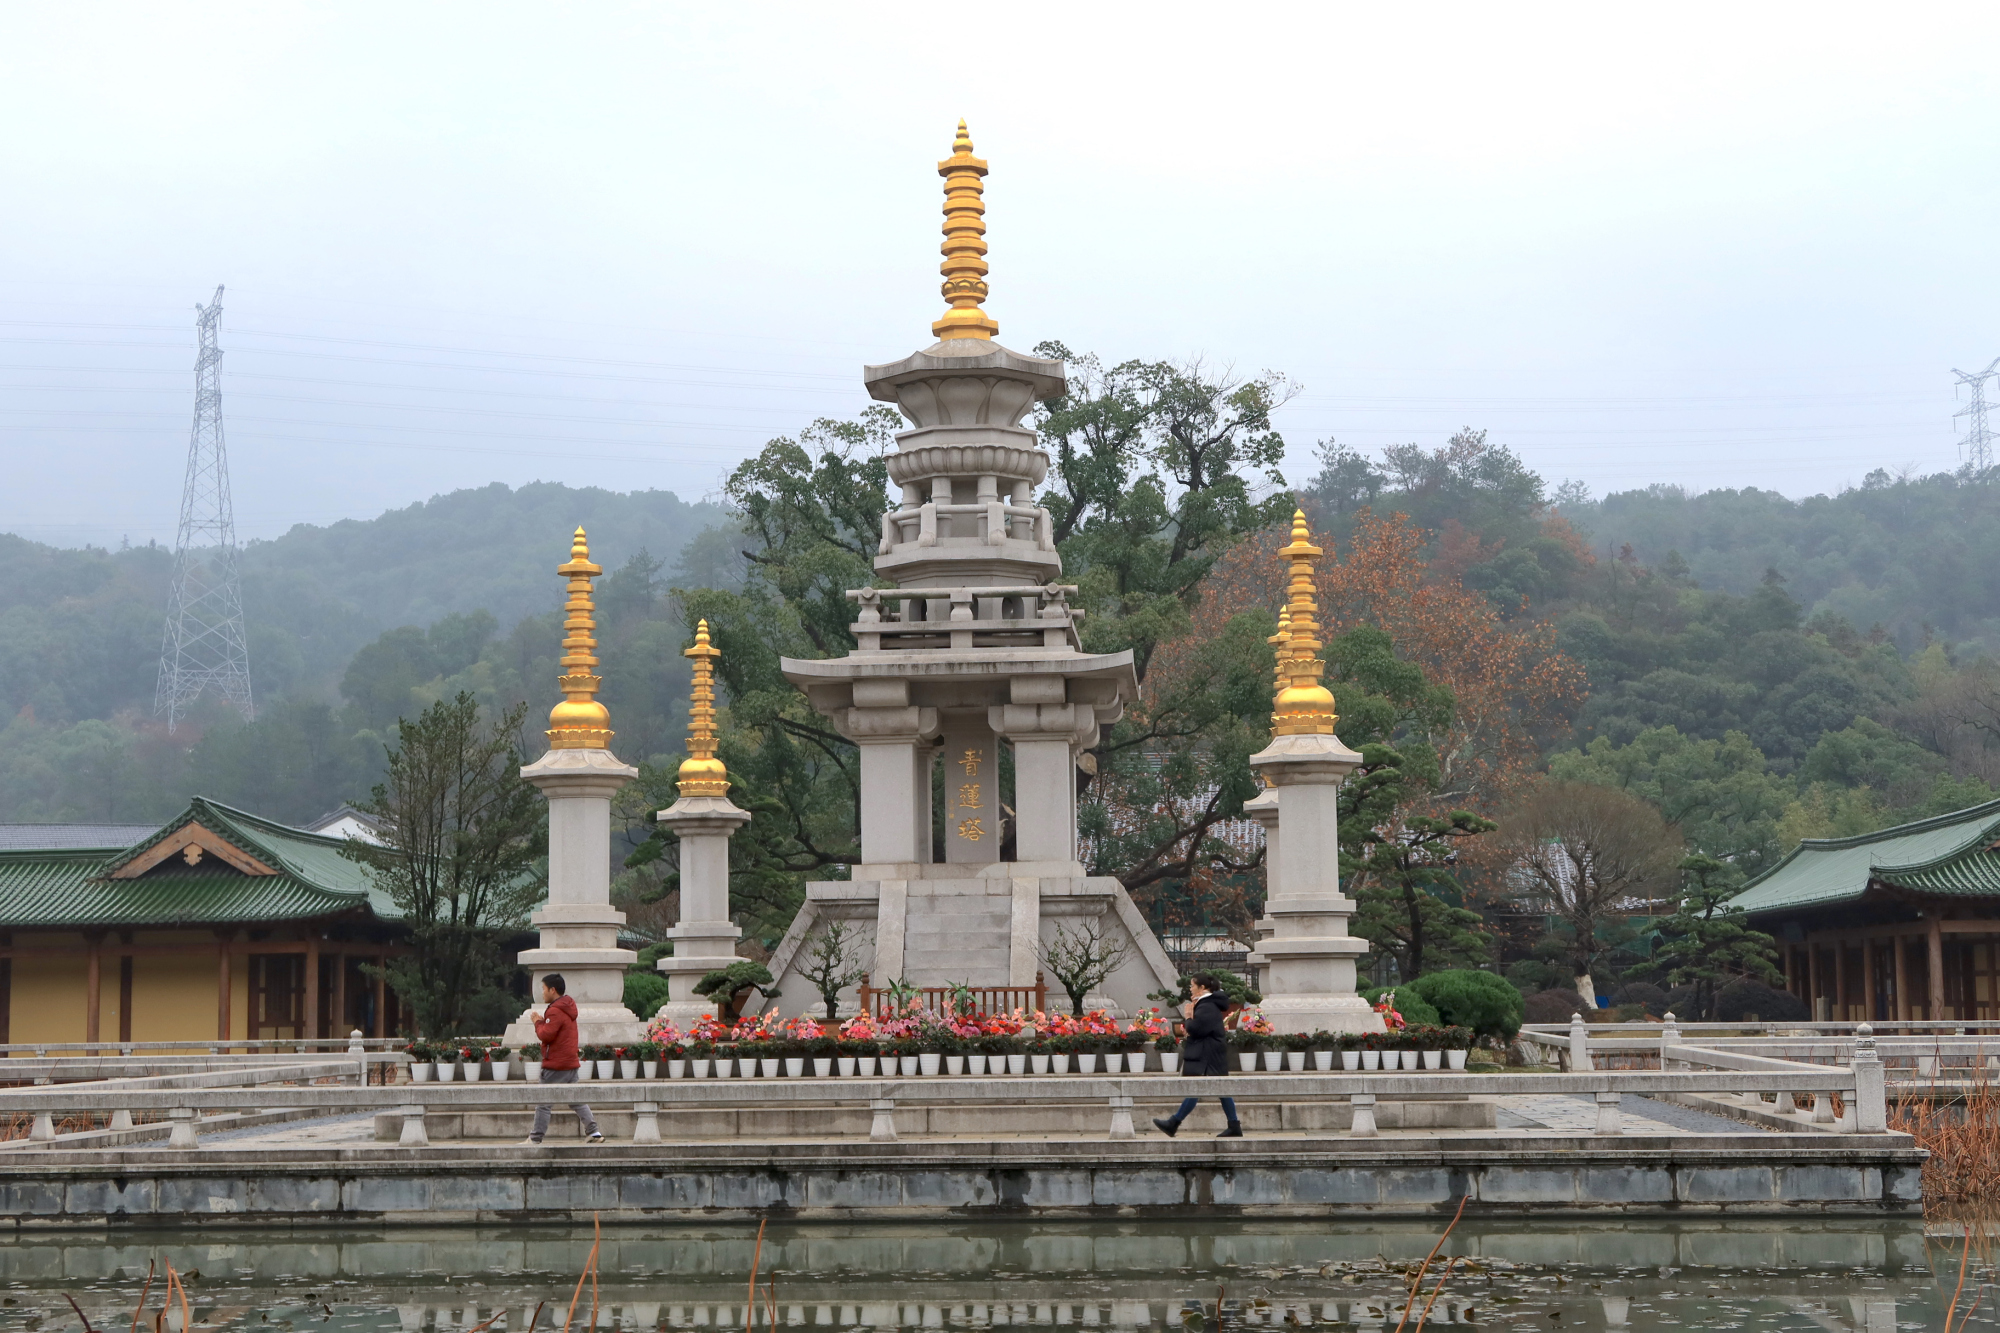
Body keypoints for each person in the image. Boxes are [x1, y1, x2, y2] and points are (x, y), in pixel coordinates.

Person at [1153, 972, 1242, 1138]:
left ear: (1202, 988)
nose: (1190, 989)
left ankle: (1174, 1122)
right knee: (1218, 1088)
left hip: (1207, 1053)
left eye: (1192, 986)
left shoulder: (1206, 1005)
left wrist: (1187, 1017)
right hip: (1209, 1051)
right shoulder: (1206, 1004)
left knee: (1198, 1086)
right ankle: (1233, 1125)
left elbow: (1196, 1028)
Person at [526, 973, 604, 1145]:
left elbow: (546, 1035)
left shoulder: (555, 1010)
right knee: (576, 1100)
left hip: (556, 1064)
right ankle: (594, 1132)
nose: (542, 992)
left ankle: (535, 1139)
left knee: (544, 1102)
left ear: (552, 990)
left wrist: (538, 1022)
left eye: (544, 989)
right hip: (570, 1063)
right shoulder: (568, 1007)